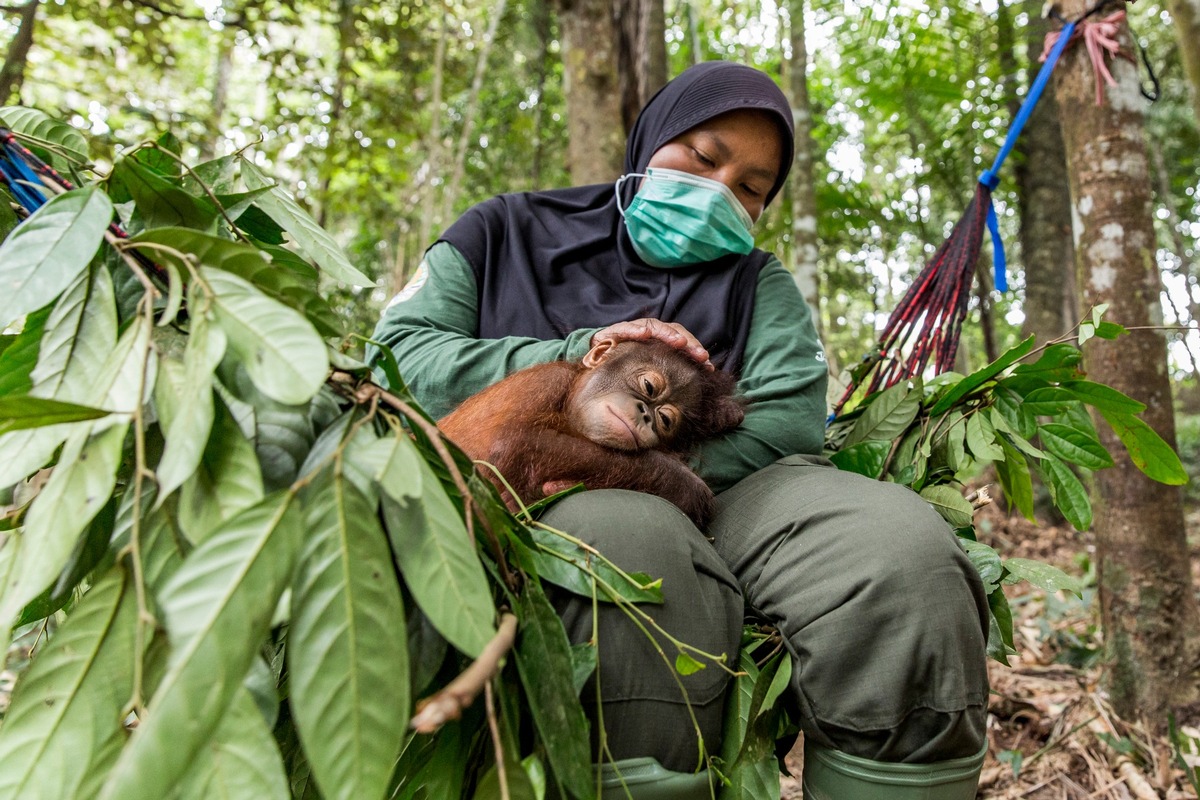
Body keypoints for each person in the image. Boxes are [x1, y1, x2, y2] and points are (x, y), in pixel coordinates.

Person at [372, 61, 990, 799]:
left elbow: (789, 419)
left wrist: (664, 455)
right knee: (629, 546)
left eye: (752, 188)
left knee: (902, 557)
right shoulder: (503, 230)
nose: (719, 190)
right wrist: (574, 363)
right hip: (527, 487)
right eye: (702, 156)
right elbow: (396, 358)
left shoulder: (757, 281)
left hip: (733, 490)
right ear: (651, 139)